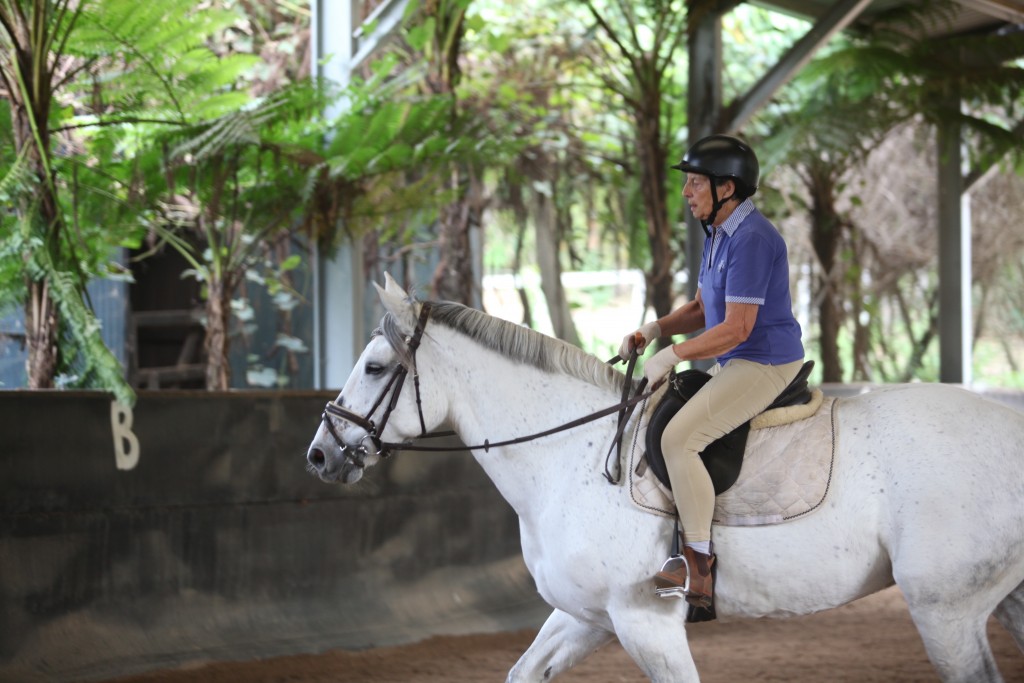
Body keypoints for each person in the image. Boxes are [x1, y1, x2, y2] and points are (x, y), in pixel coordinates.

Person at [619, 134, 804, 609]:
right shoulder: (719, 233)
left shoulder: (754, 239)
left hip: (764, 361)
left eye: (696, 182)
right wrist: (654, 329)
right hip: (738, 357)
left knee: (679, 439)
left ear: (727, 187)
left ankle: (697, 565)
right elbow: (705, 308)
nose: (687, 192)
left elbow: (738, 328)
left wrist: (673, 356)